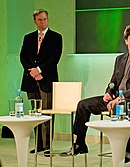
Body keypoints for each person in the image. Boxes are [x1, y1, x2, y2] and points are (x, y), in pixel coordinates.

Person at [65, 24, 130, 163]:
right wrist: (108, 92)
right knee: (83, 105)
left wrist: (120, 97)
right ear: (126, 41)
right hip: (116, 97)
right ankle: (80, 143)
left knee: (117, 107)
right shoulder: (120, 59)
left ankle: (127, 149)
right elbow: (113, 81)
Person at [20, 9, 62, 155]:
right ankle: (38, 144)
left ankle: (47, 145)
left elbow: (54, 59)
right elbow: (23, 57)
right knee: (35, 113)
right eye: (40, 19)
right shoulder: (28, 38)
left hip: (46, 80)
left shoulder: (56, 37)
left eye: (45, 19)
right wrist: (32, 71)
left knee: (47, 113)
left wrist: (39, 70)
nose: (43, 22)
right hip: (31, 80)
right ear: (35, 21)